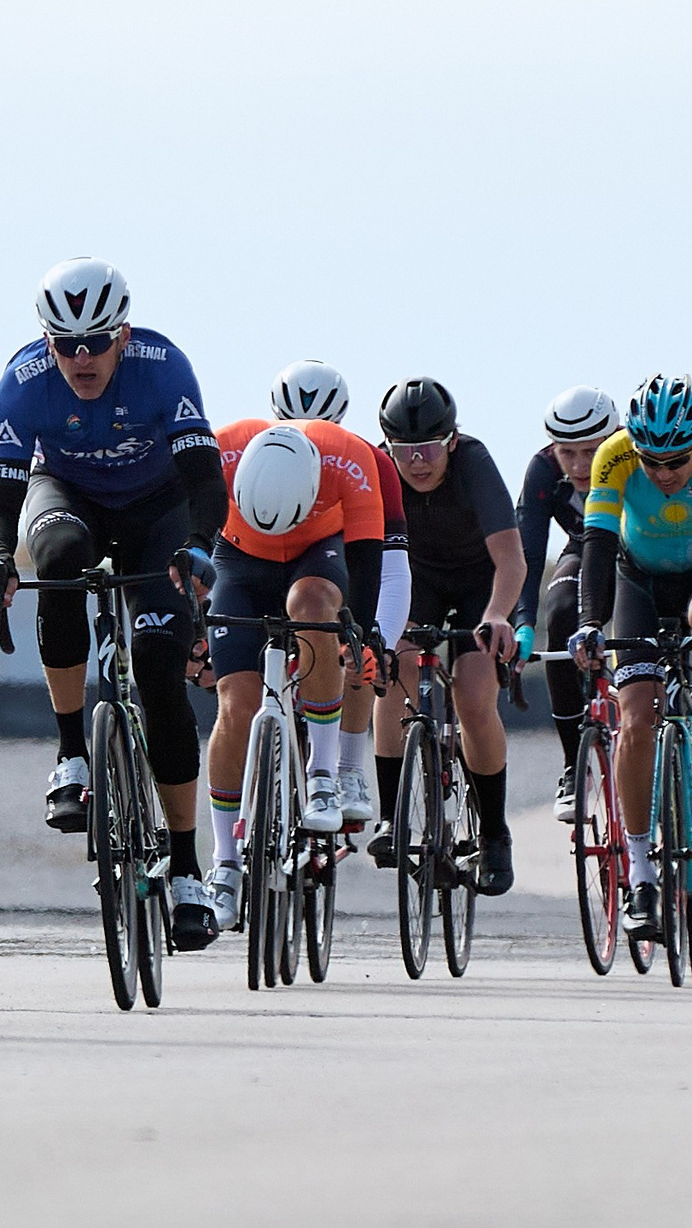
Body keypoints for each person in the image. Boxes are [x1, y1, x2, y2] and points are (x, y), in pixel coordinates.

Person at [0, 259, 228, 949]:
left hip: (159, 509)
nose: (81, 359)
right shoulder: (23, 383)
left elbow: (207, 478)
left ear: (123, 333)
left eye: (95, 343)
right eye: (65, 344)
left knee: (156, 663)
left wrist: (201, 544)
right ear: (47, 341)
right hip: (69, 495)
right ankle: (71, 754)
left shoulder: (164, 366)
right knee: (55, 564)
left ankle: (183, 867)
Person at [567, 374, 692, 936]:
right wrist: (589, 623)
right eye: (650, 461)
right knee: (636, 717)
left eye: (675, 462)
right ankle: (639, 873)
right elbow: (598, 549)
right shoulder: (612, 459)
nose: (661, 473)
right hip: (640, 580)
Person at [201, 417, 389, 933]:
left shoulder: (349, 460)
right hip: (238, 556)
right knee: (236, 707)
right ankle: (224, 863)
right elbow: (185, 542)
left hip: (317, 554)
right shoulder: (220, 451)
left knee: (312, 607)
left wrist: (363, 636)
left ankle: (323, 775)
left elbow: (369, 559)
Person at [367, 377, 523, 893]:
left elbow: (511, 561)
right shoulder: (379, 469)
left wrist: (499, 615)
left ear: (452, 440)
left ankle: (495, 833)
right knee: (393, 669)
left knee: (476, 697)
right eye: (404, 449)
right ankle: (392, 816)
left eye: (429, 446)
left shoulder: (475, 465)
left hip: (481, 582)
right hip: (417, 580)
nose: (417, 461)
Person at [267, 360, 409, 837]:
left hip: (343, 563)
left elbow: (390, 569)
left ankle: (347, 765)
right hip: (273, 563)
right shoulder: (258, 455)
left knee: (356, 639)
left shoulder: (372, 462)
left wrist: (378, 642)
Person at [510, 386, 619, 822]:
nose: (579, 466)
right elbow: (529, 555)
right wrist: (522, 622)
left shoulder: (634, 459)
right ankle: (574, 764)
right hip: (582, 550)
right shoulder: (542, 470)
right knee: (558, 617)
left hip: (640, 552)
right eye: (567, 453)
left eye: (592, 452)